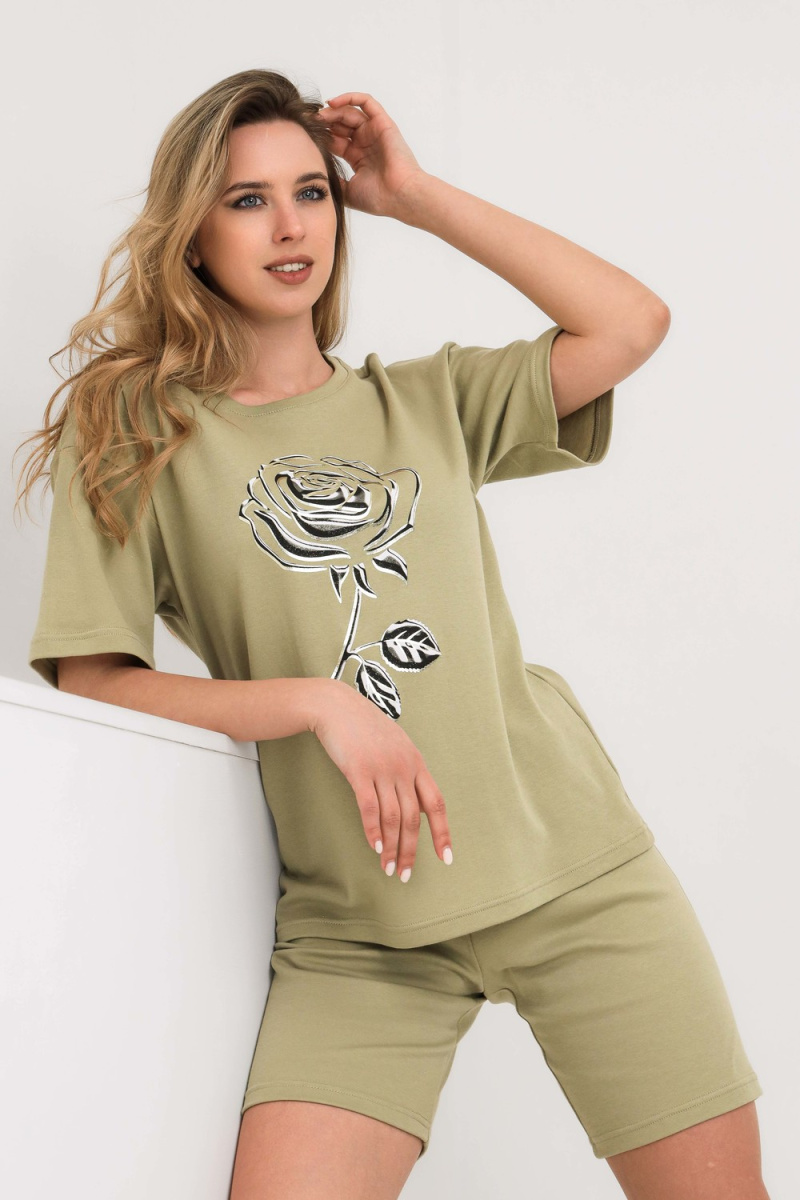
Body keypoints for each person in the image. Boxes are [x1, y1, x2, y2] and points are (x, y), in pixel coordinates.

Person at [15, 69, 769, 1200]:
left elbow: (630, 322)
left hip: (571, 870)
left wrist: (411, 192)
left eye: (310, 192)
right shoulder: (134, 433)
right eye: (246, 200)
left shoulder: (428, 402)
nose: (289, 226)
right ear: (192, 234)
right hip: (357, 927)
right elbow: (94, 681)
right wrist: (316, 703)